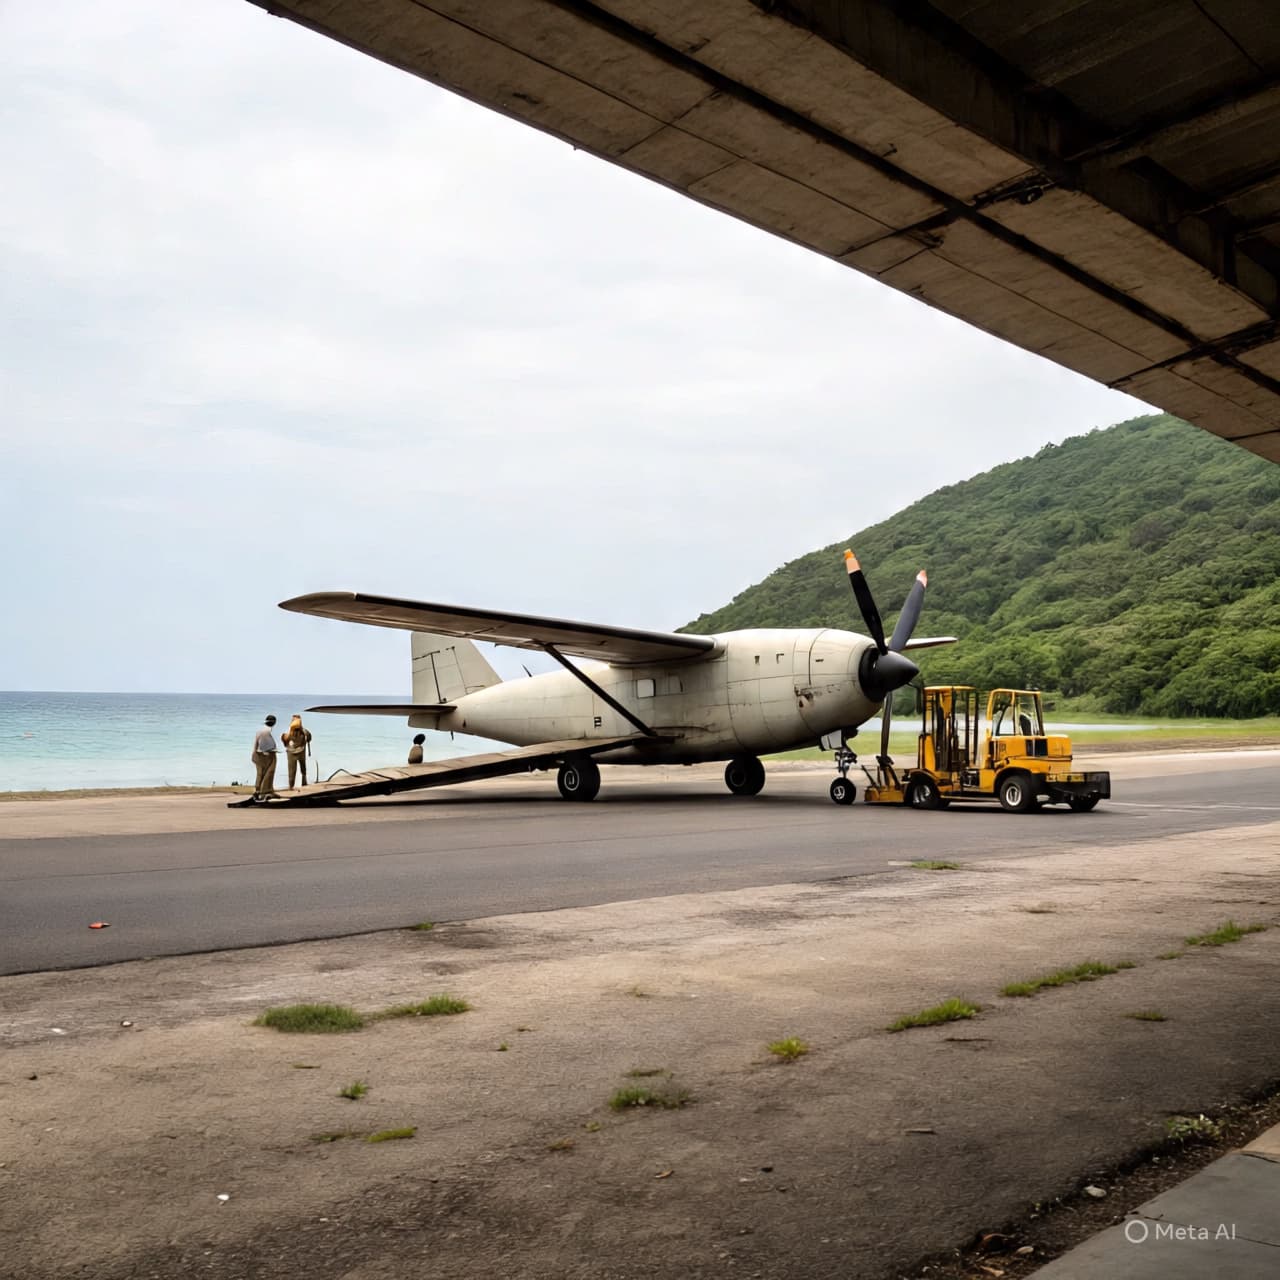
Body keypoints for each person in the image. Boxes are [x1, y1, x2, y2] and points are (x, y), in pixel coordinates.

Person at [252, 715, 279, 801]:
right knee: (268, 773)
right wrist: (268, 752)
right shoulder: (266, 731)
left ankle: (259, 791)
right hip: (265, 755)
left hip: (258, 755)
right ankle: (264, 792)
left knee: (261, 774)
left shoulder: (261, 730)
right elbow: (264, 746)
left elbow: (258, 744)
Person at [281, 714, 313, 789]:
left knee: (299, 768)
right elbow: (309, 738)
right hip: (295, 752)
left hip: (295, 752)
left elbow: (309, 737)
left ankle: (300, 784)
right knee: (293, 770)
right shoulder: (291, 731)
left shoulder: (303, 731)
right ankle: (292, 785)